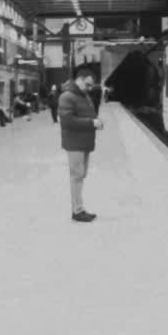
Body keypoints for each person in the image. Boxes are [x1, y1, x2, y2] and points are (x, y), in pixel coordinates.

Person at [59, 64, 103, 223]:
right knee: (77, 175)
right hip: (74, 143)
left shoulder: (84, 95)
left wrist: (96, 122)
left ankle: (79, 208)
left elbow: (87, 114)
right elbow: (67, 121)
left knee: (81, 175)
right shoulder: (67, 96)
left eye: (91, 85)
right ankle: (77, 211)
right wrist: (92, 123)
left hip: (84, 142)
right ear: (79, 80)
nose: (90, 88)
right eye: (88, 84)